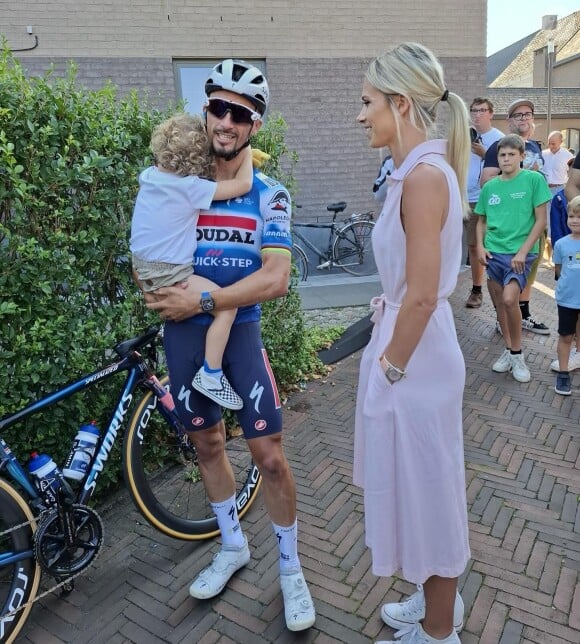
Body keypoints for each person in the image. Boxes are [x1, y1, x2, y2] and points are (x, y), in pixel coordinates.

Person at [144, 59, 315, 632]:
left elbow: (275, 279)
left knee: (268, 456)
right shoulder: (179, 182)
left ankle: (290, 568)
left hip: (237, 336)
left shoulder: (270, 193)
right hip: (183, 338)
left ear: (255, 125)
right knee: (208, 446)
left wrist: (205, 302)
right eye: (217, 107)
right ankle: (232, 544)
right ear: (205, 112)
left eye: (240, 113)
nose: (226, 120)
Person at [354, 42, 470, 644]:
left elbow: (423, 295)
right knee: (421, 486)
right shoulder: (416, 172)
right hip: (411, 349)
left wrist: (388, 370)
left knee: (431, 493)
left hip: (416, 357)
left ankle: (441, 632)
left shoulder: (423, 177)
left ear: (400, 104)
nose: (360, 114)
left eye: (368, 102)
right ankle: (431, 606)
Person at [130, 113, 255, 411]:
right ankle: (211, 374)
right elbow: (243, 185)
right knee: (227, 308)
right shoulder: (190, 188)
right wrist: (247, 150)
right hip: (170, 272)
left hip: (142, 265)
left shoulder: (149, 176)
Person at [475, 134, 551, 383]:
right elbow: (482, 220)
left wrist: (522, 251)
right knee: (499, 304)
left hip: (521, 254)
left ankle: (517, 354)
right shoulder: (490, 187)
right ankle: (508, 350)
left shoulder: (533, 180)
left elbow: (540, 220)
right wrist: (480, 247)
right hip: (493, 252)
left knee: (510, 300)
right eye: (502, 155)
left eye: (511, 154)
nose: (506, 159)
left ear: (521, 156)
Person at [481, 98, 550, 336]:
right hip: (508, 231)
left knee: (528, 274)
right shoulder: (499, 147)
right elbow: (486, 182)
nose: (524, 118)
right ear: (509, 120)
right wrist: (517, 181)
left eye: (528, 113)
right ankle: (506, 323)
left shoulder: (535, 147)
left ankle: (524, 314)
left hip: (533, 223)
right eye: (518, 115)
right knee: (503, 289)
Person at [464, 98, 503, 308]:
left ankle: (485, 289)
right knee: (465, 244)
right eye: (474, 110)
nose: (477, 114)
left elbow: (507, 169)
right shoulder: (465, 135)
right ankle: (474, 288)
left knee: (483, 245)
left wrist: (484, 153)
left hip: (486, 199)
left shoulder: (499, 139)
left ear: (491, 113)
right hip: (463, 198)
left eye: (482, 110)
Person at [552, 195, 580, 395]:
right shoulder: (561, 244)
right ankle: (563, 373)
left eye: (579, 217)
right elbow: (559, 270)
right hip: (567, 299)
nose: (575, 220)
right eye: (571, 216)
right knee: (566, 335)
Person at [542, 131, 574, 263]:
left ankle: (561, 252)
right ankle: (547, 255)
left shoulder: (568, 156)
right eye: (549, 143)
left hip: (561, 189)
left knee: (560, 220)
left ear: (561, 142)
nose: (551, 146)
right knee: (546, 220)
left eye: (554, 143)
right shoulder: (543, 154)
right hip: (545, 189)